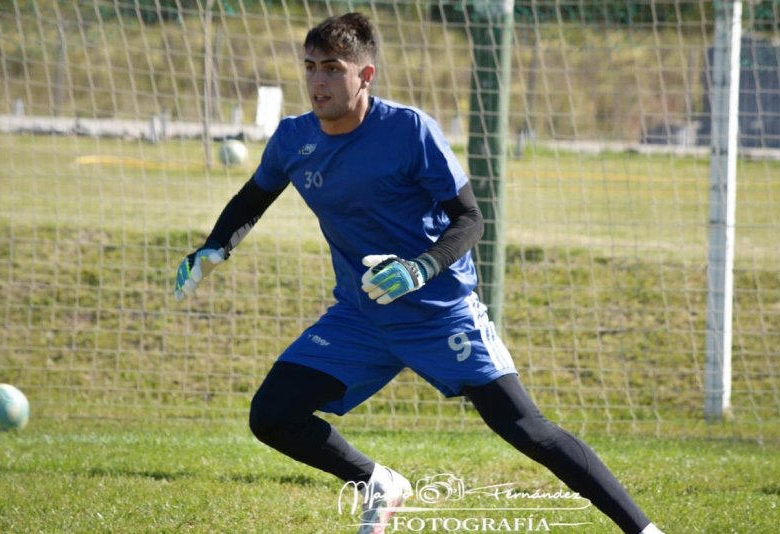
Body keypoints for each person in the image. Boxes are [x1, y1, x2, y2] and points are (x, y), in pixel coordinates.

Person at [175, 12, 664, 534]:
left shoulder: (408, 131)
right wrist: (214, 247)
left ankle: (644, 530)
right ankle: (380, 483)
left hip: (439, 312)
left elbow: (470, 219)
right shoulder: (295, 138)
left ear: (365, 76)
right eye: (310, 67)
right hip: (362, 316)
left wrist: (418, 269)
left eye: (333, 69)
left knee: (527, 430)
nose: (318, 81)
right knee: (272, 415)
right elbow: (254, 196)